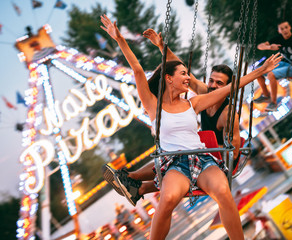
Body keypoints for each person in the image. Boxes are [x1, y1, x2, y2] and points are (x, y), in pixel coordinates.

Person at [100, 14, 281, 240]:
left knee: (224, 191)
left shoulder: (193, 103)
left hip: (202, 158)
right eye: (183, 74)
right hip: (174, 163)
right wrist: (120, 40)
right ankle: (134, 182)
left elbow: (229, 89)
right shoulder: (153, 105)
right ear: (168, 79)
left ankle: (134, 183)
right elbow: (137, 69)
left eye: (188, 74)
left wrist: (259, 72)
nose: (189, 78)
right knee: (167, 199)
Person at [102, 30, 243, 207]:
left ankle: (132, 179)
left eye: (219, 84)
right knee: (174, 155)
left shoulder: (228, 114)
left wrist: (207, 149)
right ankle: (135, 185)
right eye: (212, 81)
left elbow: (233, 152)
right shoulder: (204, 93)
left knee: (178, 156)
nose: (213, 86)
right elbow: (181, 71)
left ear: (227, 88)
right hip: (198, 149)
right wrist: (162, 46)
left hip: (218, 156)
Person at [254, 20, 292, 111]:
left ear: (290, 27)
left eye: (286, 27)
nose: (285, 30)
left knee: (271, 74)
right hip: (285, 63)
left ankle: (273, 103)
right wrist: (269, 47)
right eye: (282, 29)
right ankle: (266, 95)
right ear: (279, 31)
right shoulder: (278, 39)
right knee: (258, 71)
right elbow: (260, 46)